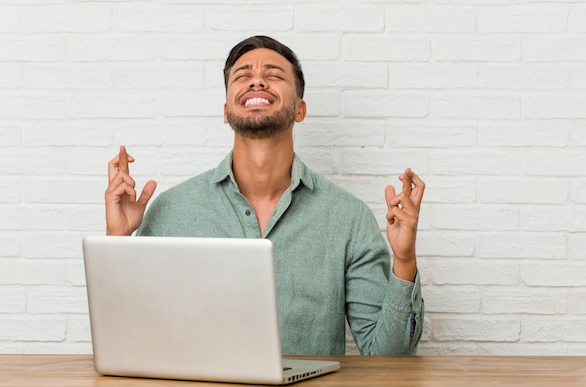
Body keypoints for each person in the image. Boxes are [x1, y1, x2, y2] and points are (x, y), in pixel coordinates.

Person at [105, 35, 425, 355]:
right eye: (243, 76)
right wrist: (117, 239)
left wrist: (404, 259)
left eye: (273, 75)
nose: (257, 80)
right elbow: (128, 339)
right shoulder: (170, 212)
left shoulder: (348, 218)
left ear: (300, 109)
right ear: (227, 110)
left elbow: (387, 356)